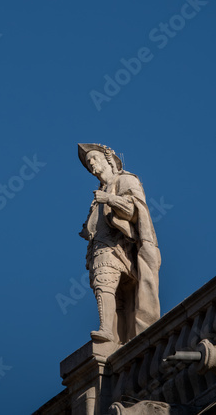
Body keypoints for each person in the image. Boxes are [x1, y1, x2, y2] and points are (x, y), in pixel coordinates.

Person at [78, 143, 161, 344]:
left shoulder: (124, 180)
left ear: (108, 159)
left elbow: (136, 210)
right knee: (113, 293)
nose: (91, 164)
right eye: (89, 162)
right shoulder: (99, 192)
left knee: (104, 282)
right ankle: (117, 337)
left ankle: (106, 330)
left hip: (117, 247)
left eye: (94, 159)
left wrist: (110, 200)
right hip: (99, 247)